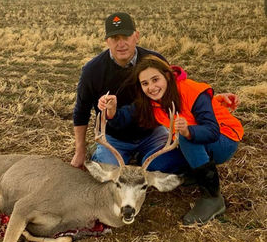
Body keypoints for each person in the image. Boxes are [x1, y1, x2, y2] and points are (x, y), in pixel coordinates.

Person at [71, 11, 240, 171]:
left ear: (136, 36)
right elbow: (81, 111)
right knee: (108, 172)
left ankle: (195, 175)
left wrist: (211, 100)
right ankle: (103, 152)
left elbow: (177, 91)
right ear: (107, 41)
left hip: (152, 133)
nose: (121, 44)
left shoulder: (155, 60)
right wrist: (80, 151)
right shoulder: (92, 70)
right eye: (115, 38)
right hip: (115, 138)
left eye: (126, 37)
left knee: (159, 166)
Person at [98, 55, 244, 225]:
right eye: (145, 84)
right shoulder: (151, 102)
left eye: (155, 79)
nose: (151, 87)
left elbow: (212, 131)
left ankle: (212, 198)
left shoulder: (191, 90)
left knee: (184, 137)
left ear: (167, 76)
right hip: (191, 141)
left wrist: (188, 131)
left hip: (225, 139)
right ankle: (196, 173)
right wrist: (112, 110)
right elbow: (124, 118)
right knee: (153, 164)